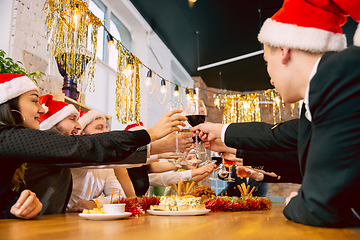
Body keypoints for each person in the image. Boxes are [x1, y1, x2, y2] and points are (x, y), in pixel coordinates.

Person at [192, 0, 360, 227]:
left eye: (265, 61)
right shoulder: (328, 82)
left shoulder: (335, 76)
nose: (270, 78)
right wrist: (225, 138)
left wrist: (295, 202)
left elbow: (321, 207)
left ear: (283, 51)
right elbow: (286, 138)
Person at [0, 74, 185, 219]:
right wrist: (149, 135)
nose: (41, 109)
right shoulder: (8, 138)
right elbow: (86, 149)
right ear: (9, 105)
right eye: (33, 100)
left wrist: (16, 207)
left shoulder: (13, 145)